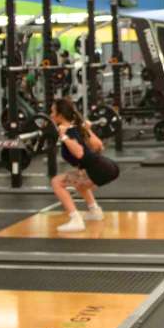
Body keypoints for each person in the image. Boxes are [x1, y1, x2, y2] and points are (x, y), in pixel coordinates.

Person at [48, 96, 119, 232]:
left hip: (98, 168)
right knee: (80, 183)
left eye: (53, 112)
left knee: (56, 182)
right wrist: (87, 129)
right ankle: (95, 211)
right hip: (108, 167)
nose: (51, 115)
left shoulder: (68, 132)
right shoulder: (77, 128)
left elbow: (79, 153)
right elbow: (99, 146)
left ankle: (75, 220)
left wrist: (64, 137)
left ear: (60, 115)